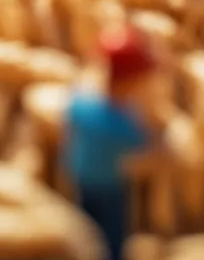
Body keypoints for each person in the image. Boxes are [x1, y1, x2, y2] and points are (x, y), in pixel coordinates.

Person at [63, 25, 160, 260]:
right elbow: (145, 144)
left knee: (84, 227)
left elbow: (72, 107)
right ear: (127, 82)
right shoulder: (122, 124)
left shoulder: (83, 103)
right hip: (109, 185)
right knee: (112, 237)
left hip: (79, 176)